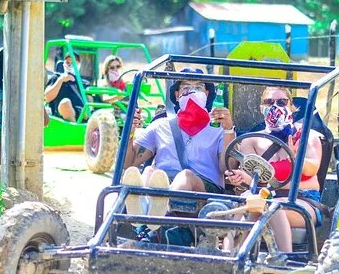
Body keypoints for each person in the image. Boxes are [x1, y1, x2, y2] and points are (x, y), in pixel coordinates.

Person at [121, 69, 236, 216]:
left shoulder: (219, 127)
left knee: (185, 176)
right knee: (149, 171)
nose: (192, 92)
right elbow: (129, 163)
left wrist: (228, 130)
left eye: (198, 87)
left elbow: (228, 168)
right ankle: (144, 208)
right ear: (177, 95)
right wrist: (129, 132)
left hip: (203, 189)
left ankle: (159, 208)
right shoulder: (161, 125)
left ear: (206, 94)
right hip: (162, 181)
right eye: (186, 87)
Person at [225, 86, 323, 252]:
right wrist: (240, 177)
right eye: (269, 102)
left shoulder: (307, 136)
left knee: (271, 206)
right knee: (244, 206)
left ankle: (283, 260)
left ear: (291, 107)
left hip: (301, 199)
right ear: (262, 108)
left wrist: (295, 158)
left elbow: (312, 169)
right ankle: (229, 258)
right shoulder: (252, 140)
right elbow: (252, 180)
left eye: (281, 102)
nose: (275, 107)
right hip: (262, 196)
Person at [46, 52, 85, 122]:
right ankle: (74, 126)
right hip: (60, 115)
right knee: (65, 103)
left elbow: (90, 100)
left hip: (80, 112)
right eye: (68, 62)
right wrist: (61, 80)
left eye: (73, 63)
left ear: (79, 65)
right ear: (64, 63)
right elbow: (47, 98)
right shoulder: (56, 78)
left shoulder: (82, 82)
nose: (70, 65)